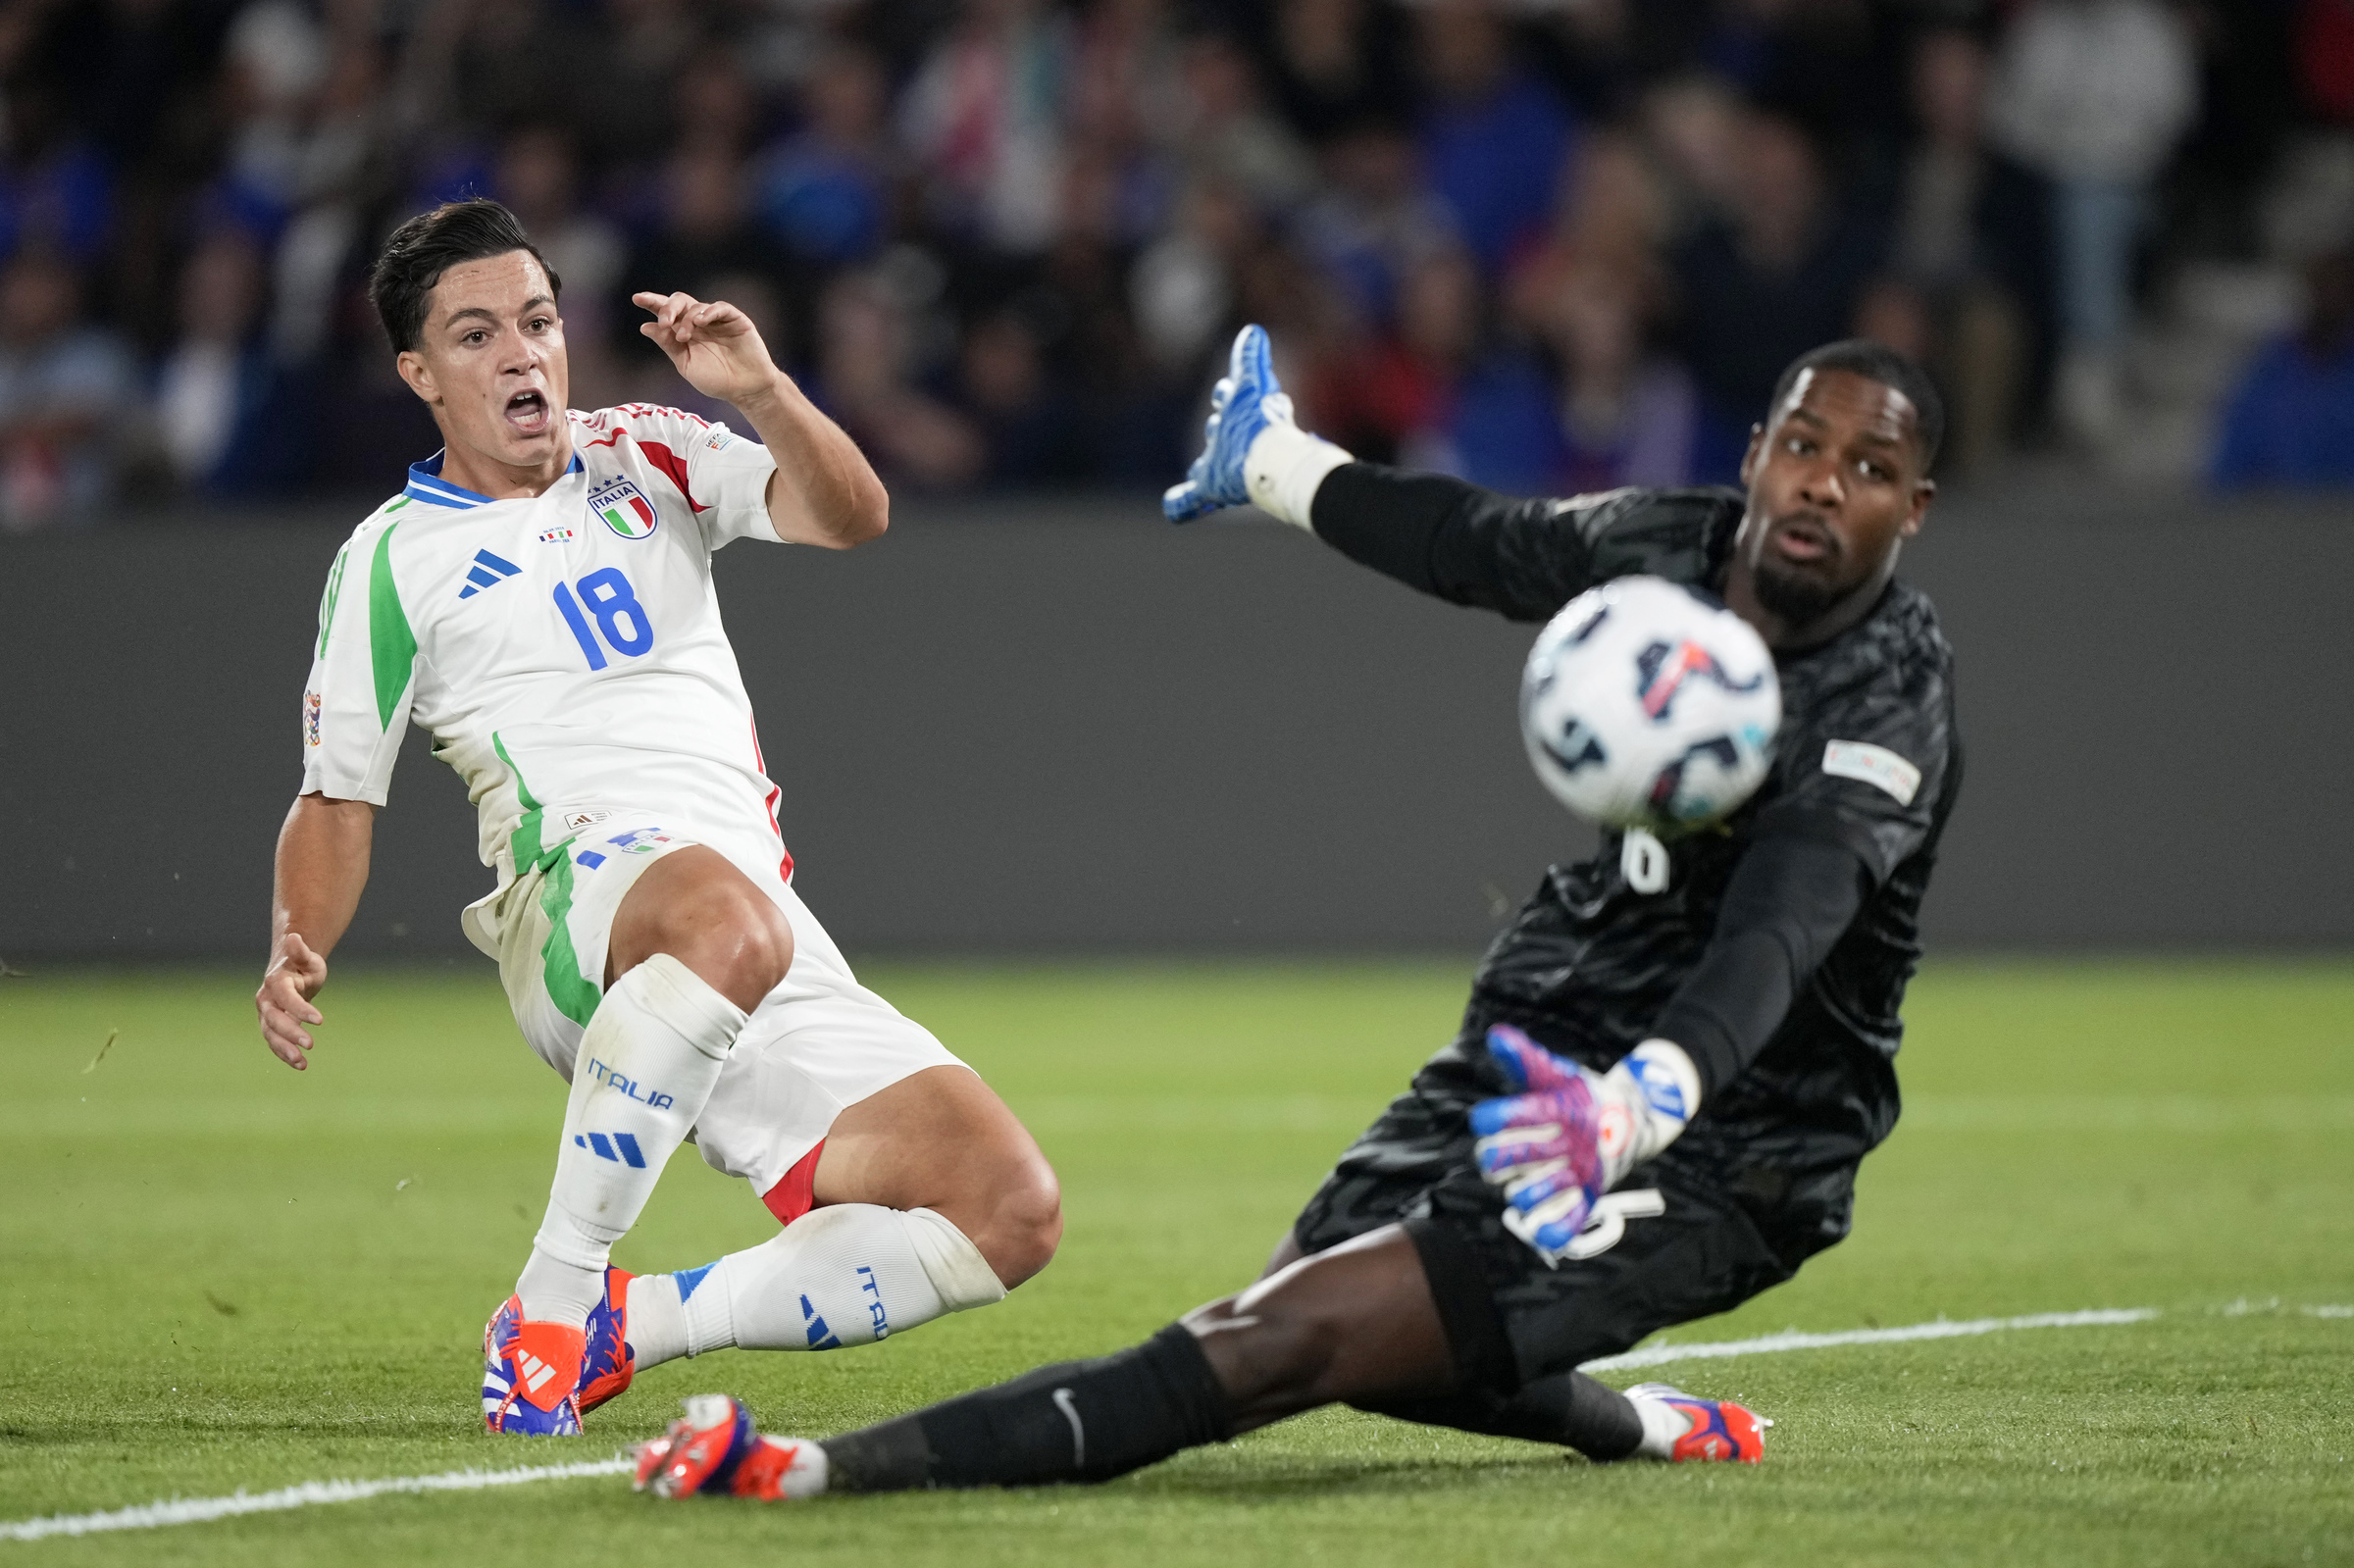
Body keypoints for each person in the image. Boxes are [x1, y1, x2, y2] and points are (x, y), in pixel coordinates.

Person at [625, 322, 1962, 1501]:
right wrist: (1274, 463)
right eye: (1804, 444)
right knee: (1338, 1310)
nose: (1822, 483)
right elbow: (1478, 545)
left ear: (1912, 511)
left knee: (1279, 1337)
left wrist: (1640, 1107)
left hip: (1741, 1129)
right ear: (1757, 452)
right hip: (1564, 1016)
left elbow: (1778, 935)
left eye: (1868, 470)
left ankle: (817, 1467)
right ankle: (1648, 1425)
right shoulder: (1677, 548)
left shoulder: (1883, 705)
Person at [253, 199, 1062, 1437]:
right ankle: (553, 1302)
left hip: (749, 929)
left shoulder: (648, 448)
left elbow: (854, 516)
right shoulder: (391, 557)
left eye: (536, 321)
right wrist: (296, 944)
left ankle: (632, 1325)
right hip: (574, 903)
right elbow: (336, 795)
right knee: (728, 917)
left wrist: (767, 390)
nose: (522, 355)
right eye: (476, 337)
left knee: (1007, 1210)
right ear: (418, 372)